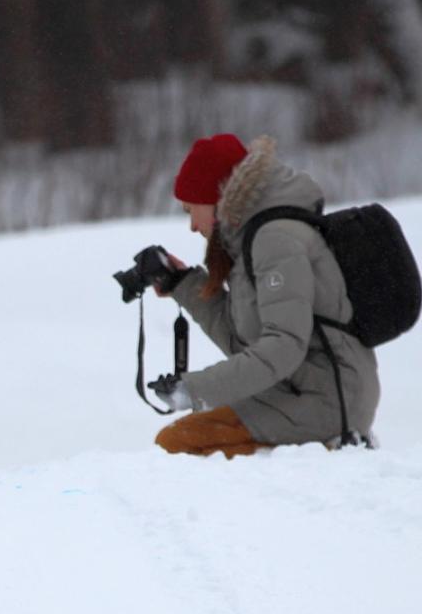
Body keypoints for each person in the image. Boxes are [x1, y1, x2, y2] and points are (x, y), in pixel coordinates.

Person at [144, 134, 380, 457]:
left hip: (326, 401)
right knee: (178, 440)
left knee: (178, 444)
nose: (192, 226)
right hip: (299, 392)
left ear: (213, 199)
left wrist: (193, 389)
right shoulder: (252, 240)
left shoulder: (274, 239)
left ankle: (332, 447)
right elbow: (247, 343)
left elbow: (282, 348)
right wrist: (183, 284)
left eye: (190, 210)